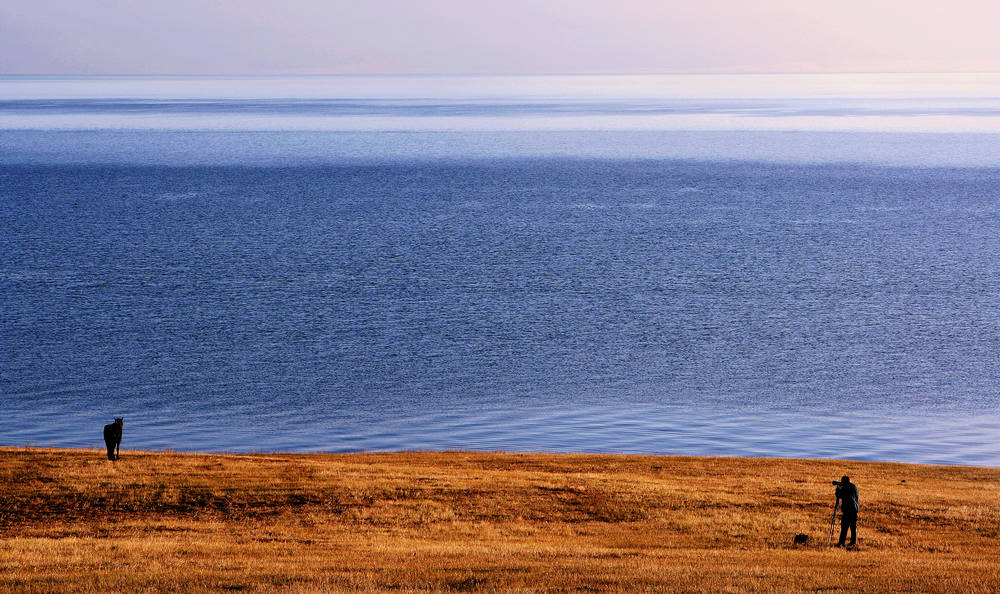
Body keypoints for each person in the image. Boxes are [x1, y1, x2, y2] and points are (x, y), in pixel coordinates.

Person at [835, 475, 859, 547]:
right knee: (853, 527)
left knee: (844, 527)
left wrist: (838, 489)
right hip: (854, 510)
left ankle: (841, 542)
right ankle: (853, 542)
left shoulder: (847, 488)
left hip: (848, 510)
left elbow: (840, 495)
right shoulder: (853, 486)